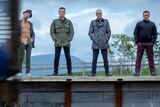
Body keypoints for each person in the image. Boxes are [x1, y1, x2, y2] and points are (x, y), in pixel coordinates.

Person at [50, 7, 74, 76]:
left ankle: (69, 72)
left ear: (65, 13)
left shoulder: (69, 22)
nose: (62, 13)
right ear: (58, 13)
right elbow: (52, 31)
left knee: (68, 57)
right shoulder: (55, 22)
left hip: (66, 43)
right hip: (58, 43)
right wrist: (55, 39)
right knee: (56, 58)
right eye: (60, 11)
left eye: (63, 11)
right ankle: (55, 72)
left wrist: (69, 39)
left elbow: (72, 31)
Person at [134, 10, 157, 76]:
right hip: (140, 43)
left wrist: (153, 41)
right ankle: (137, 72)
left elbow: (155, 34)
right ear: (143, 16)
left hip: (149, 43)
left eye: (147, 15)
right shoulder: (139, 24)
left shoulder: (152, 24)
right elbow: (135, 33)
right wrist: (137, 41)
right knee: (138, 58)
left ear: (149, 16)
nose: (146, 16)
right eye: (145, 15)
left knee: (151, 58)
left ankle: (152, 72)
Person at [88, 9, 111, 76]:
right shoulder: (93, 22)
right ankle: (93, 73)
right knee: (94, 59)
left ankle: (107, 73)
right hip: (96, 43)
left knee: (105, 59)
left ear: (102, 14)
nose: (99, 14)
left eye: (100, 13)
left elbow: (109, 32)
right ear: (96, 14)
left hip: (104, 43)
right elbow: (90, 32)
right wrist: (94, 40)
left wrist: (106, 39)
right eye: (98, 13)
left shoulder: (106, 22)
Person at [17, 9, 35, 77]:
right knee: (20, 57)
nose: (27, 15)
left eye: (29, 14)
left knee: (28, 57)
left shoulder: (30, 24)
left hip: (29, 41)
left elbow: (33, 33)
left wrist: (32, 39)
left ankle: (28, 72)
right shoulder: (18, 22)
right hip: (21, 41)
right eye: (27, 13)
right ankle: (19, 72)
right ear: (24, 13)